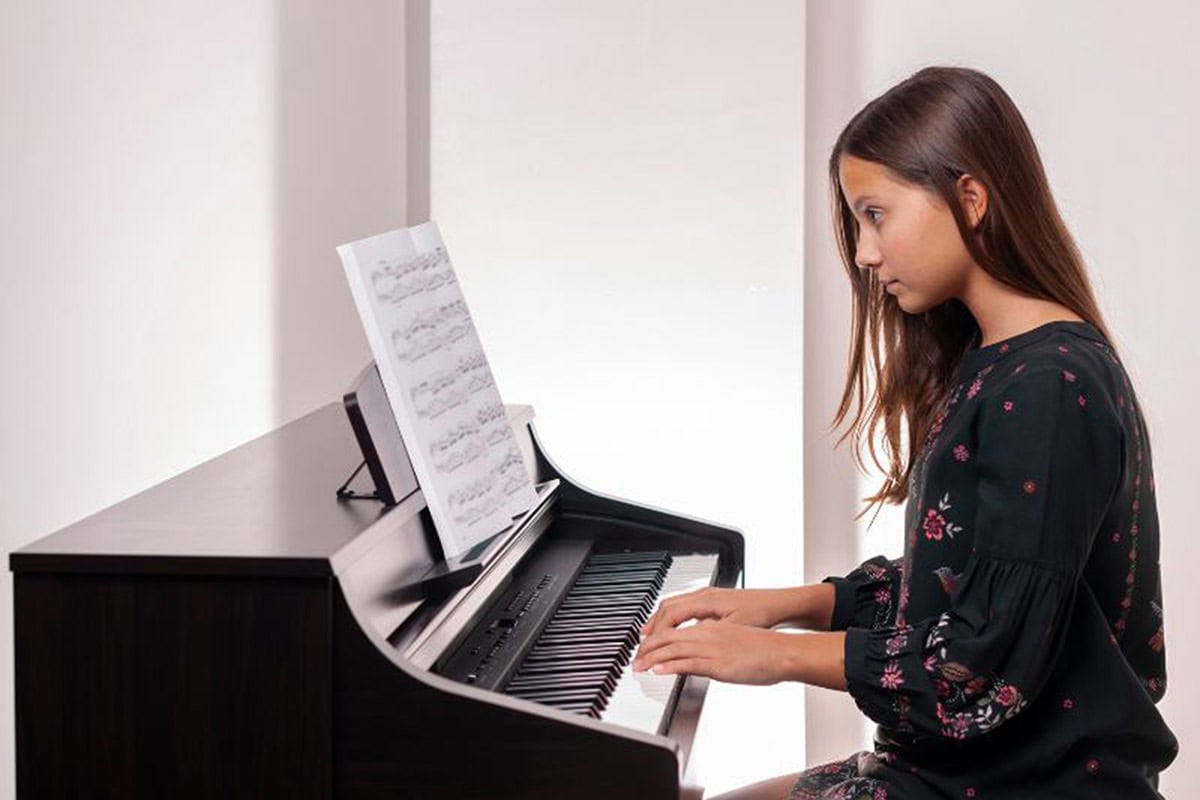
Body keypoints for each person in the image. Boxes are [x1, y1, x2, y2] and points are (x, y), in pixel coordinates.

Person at [632, 65, 1179, 799]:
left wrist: (774, 656)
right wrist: (786, 606)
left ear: (971, 197)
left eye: (876, 214)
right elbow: (962, 583)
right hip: (958, 772)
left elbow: (978, 668)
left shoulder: (1051, 386)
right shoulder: (1002, 361)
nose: (862, 252)